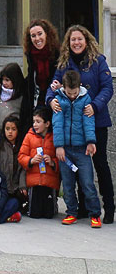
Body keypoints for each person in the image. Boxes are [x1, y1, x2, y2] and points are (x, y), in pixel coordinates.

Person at [47, 25, 114, 224]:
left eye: (79, 39)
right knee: (76, 168)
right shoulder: (64, 63)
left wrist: (95, 105)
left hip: (96, 121)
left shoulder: (98, 61)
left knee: (100, 164)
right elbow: (53, 86)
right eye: (73, 40)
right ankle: (81, 208)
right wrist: (51, 99)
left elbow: (107, 88)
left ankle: (108, 207)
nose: (76, 43)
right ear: (68, 43)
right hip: (72, 125)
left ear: (86, 40)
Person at [52, 69, 102, 228]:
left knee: (87, 183)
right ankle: (71, 212)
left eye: (74, 93)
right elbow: (57, 124)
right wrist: (59, 146)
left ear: (80, 86)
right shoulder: (59, 100)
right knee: (67, 185)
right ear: (63, 87)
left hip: (82, 149)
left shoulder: (85, 99)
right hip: (65, 150)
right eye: (69, 93)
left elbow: (89, 122)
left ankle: (95, 214)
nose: (72, 96)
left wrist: (91, 141)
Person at [18, 106, 59, 219]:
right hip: (34, 182)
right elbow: (21, 156)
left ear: (47, 124)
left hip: (49, 182)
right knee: (34, 214)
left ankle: (53, 204)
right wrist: (31, 160)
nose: (35, 124)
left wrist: (52, 162)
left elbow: (60, 158)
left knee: (49, 215)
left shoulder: (54, 137)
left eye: (38, 121)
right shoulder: (29, 136)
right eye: (34, 122)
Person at [24, 18, 61, 106]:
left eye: (40, 34)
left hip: (56, 99)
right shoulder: (30, 55)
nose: (37, 38)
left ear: (46, 34)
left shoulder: (58, 53)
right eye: (33, 36)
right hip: (38, 99)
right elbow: (30, 81)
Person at [0, 115, 27, 212]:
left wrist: (22, 185)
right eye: (7, 129)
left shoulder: (22, 147)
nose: (10, 132)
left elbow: (23, 169)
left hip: (17, 187)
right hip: (3, 187)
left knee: (15, 202)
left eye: (13, 129)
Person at [0, 63, 31, 145]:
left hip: (14, 134)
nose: (4, 83)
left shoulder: (22, 96)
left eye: (7, 80)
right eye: (3, 80)